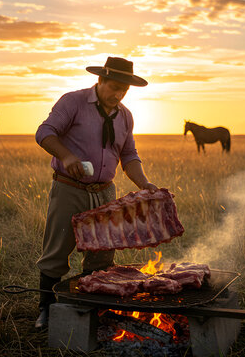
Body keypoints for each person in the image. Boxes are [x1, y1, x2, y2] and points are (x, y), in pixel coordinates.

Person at [33, 57, 158, 328]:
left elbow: (129, 155)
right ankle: (46, 309)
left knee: (102, 255)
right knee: (57, 251)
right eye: (113, 87)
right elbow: (44, 132)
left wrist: (144, 183)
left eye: (123, 91)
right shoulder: (73, 102)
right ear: (100, 80)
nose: (118, 94)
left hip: (105, 193)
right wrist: (67, 157)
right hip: (70, 188)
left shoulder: (125, 116)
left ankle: (94, 311)